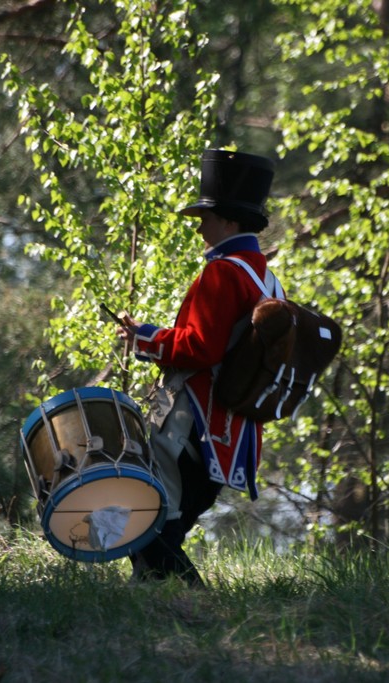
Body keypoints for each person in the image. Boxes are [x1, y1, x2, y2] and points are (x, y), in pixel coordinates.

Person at [117, 148, 278, 586]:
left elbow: (201, 348)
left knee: (147, 524)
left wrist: (145, 338)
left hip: (193, 422)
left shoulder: (223, 273)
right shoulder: (267, 278)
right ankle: (159, 607)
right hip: (232, 433)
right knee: (159, 532)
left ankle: (199, 603)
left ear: (228, 222)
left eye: (205, 218)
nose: (200, 227)